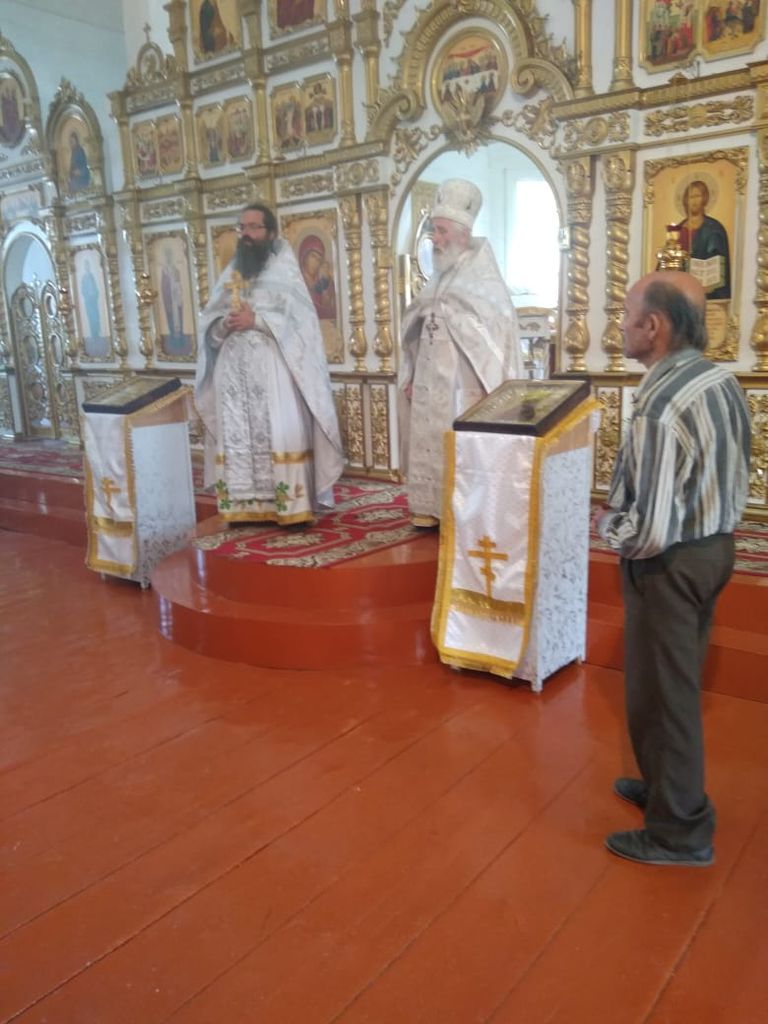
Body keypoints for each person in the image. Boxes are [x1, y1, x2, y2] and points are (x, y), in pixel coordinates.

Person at [593, 270, 751, 867]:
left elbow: (651, 529)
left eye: (626, 314)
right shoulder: (718, 378)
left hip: (671, 563)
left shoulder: (660, 404)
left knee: (665, 696)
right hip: (714, 550)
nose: (621, 326)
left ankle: (680, 832)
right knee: (663, 686)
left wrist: (608, 529)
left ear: (653, 326)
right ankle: (664, 789)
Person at [195, 202, 344, 525]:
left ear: (271, 232)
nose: (247, 234)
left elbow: (302, 328)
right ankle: (244, 505)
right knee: (239, 436)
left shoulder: (284, 273)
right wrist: (223, 325)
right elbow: (209, 327)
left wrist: (258, 321)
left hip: (274, 374)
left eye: (254, 227)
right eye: (242, 227)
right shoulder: (231, 274)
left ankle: (290, 507)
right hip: (234, 379)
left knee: (279, 433)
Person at [398, 178, 523, 526]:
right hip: (429, 380)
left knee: (460, 448)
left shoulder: (484, 280)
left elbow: (495, 334)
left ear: (462, 235)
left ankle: (459, 512)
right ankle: (429, 507)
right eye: (434, 231)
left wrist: (450, 313)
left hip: (464, 385)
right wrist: (410, 374)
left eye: (441, 231)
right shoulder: (439, 277)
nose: (434, 239)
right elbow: (417, 326)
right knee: (431, 440)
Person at [675, 180, 731, 300]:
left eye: (697, 196)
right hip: (680, 291)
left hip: (706, 291)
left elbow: (718, 259)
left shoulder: (714, 228)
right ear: (685, 200)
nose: (694, 201)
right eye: (690, 197)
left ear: (704, 198)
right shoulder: (677, 231)